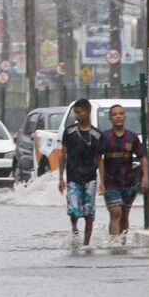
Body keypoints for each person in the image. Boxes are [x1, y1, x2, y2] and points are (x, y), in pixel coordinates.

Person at [99, 104, 149, 240]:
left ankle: (123, 241)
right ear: (110, 118)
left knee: (125, 215)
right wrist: (102, 182)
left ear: (125, 117)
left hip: (129, 182)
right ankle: (114, 242)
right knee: (115, 212)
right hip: (111, 182)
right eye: (115, 114)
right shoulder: (105, 137)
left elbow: (142, 158)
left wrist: (145, 177)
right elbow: (99, 159)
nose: (118, 116)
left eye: (121, 113)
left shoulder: (132, 137)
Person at [58, 99, 102, 244]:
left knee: (89, 212)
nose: (76, 116)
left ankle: (86, 243)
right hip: (73, 177)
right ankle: (75, 227)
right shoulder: (69, 132)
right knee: (75, 210)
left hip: (90, 178)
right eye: (75, 113)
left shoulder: (96, 135)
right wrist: (60, 178)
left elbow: (99, 158)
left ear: (88, 112)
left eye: (79, 112)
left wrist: (103, 181)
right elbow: (63, 154)